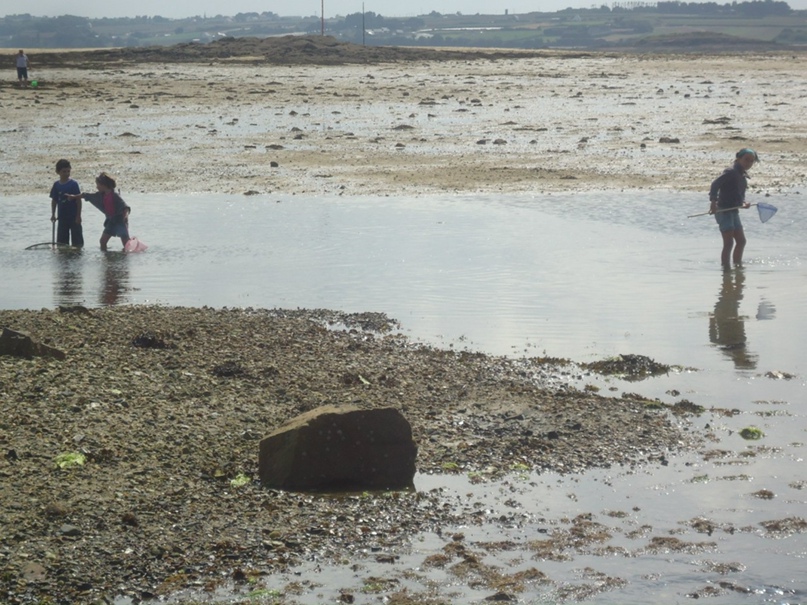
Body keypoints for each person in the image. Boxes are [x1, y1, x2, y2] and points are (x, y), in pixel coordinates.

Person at [708, 148, 758, 267]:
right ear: (739, 159)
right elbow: (715, 185)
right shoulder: (730, 172)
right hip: (723, 210)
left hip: (733, 210)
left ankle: (737, 266)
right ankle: (726, 272)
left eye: (752, 161)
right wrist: (713, 202)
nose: (749, 163)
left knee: (741, 241)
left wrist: (744, 203)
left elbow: (738, 195)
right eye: (746, 160)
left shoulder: (742, 175)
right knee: (729, 243)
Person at [70, 172, 131, 251]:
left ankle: (125, 259)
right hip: (111, 221)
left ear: (104, 185)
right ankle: (106, 258)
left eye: (98, 185)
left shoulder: (115, 195)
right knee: (102, 241)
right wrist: (74, 197)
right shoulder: (101, 195)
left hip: (120, 221)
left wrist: (126, 216)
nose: (97, 187)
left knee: (126, 243)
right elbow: (87, 195)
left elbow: (125, 207)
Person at [49, 159, 84, 247]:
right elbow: (54, 200)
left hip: (74, 217)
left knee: (77, 243)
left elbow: (78, 200)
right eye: (64, 171)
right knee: (62, 244)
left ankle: (76, 256)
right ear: (58, 172)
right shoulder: (56, 185)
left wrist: (78, 216)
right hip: (62, 217)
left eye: (68, 171)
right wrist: (53, 214)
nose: (66, 173)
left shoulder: (73, 184)